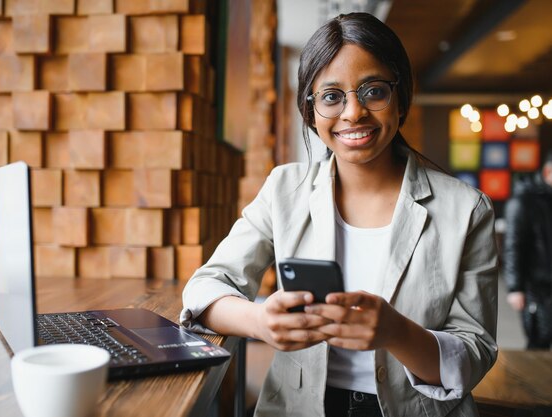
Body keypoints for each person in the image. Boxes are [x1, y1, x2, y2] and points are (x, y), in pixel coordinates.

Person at [181, 12, 498, 417]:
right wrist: (259, 321)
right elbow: (205, 288)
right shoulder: (284, 189)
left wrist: (396, 332)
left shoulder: (466, 209)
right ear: (310, 112)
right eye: (332, 96)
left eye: (373, 91)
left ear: (400, 97)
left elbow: (475, 353)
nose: (353, 113)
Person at [503, 152, 552, 349]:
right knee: (539, 343)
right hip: (536, 288)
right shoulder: (522, 202)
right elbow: (512, 246)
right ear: (548, 171)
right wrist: (515, 288)